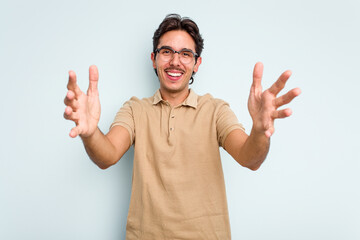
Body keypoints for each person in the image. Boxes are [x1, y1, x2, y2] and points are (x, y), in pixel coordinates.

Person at [63, 14, 301, 240]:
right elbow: (107, 155)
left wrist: (260, 131)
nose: (175, 61)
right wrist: (91, 132)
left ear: (196, 63)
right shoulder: (135, 110)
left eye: (186, 54)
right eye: (166, 52)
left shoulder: (215, 110)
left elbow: (250, 159)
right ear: (154, 59)